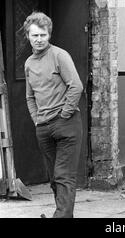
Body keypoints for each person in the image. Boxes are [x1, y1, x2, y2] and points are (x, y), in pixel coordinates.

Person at [24, 12, 83, 218]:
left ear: (49, 34)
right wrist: (37, 120)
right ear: (28, 36)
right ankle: (65, 214)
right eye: (35, 36)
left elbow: (76, 86)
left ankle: (61, 216)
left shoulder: (59, 55)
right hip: (44, 126)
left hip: (66, 123)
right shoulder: (29, 63)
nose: (39, 39)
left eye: (43, 35)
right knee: (54, 178)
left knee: (64, 175)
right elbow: (30, 97)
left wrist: (64, 114)